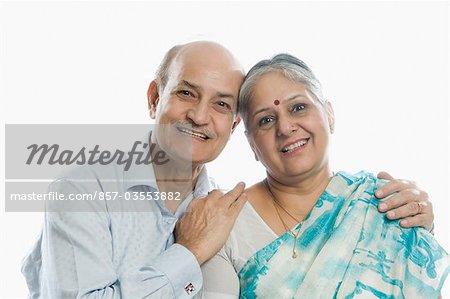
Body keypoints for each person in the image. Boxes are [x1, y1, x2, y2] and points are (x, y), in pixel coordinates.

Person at [21, 41, 435, 299]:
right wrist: (189, 253)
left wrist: (420, 227)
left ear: (233, 127)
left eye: (221, 104)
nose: (200, 116)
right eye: (186, 93)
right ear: (154, 98)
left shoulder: (219, 209)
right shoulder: (82, 190)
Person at [200, 54, 449, 298]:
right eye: (266, 120)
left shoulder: (383, 205)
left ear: (329, 115)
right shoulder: (225, 220)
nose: (285, 128)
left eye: (298, 108)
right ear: (251, 143)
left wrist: (419, 233)